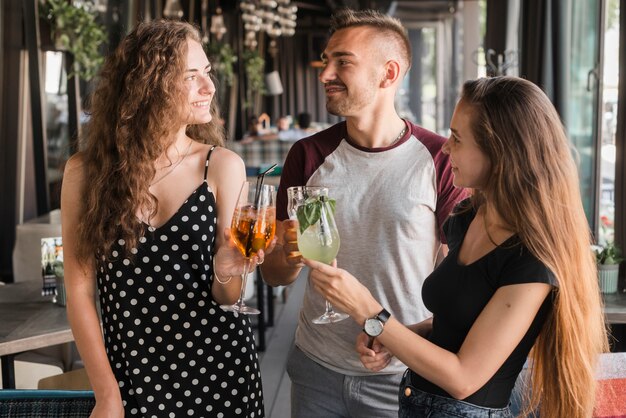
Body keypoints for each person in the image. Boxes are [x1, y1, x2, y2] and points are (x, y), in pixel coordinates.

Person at [305, 76, 609, 418]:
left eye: (458, 138)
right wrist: (391, 337)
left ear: (501, 152)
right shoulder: (468, 216)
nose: (446, 147)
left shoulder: (532, 259)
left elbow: (464, 377)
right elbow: (454, 322)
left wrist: (369, 312)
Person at [260, 8, 467, 417]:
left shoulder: (441, 157)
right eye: (326, 61)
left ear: (388, 74)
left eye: (343, 62)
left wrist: (402, 337)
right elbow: (275, 275)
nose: (325, 74)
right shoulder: (308, 154)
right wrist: (285, 252)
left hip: (403, 374)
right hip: (315, 368)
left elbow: (460, 274)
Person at [61, 20, 266, 417]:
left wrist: (226, 270)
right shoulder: (84, 173)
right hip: (129, 378)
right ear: (147, 85)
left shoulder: (221, 165)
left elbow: (228, 297)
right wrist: (107, 394)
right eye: (192, 77)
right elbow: (80, 293)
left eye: (207, 73)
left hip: (221, 376)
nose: (209, 88)